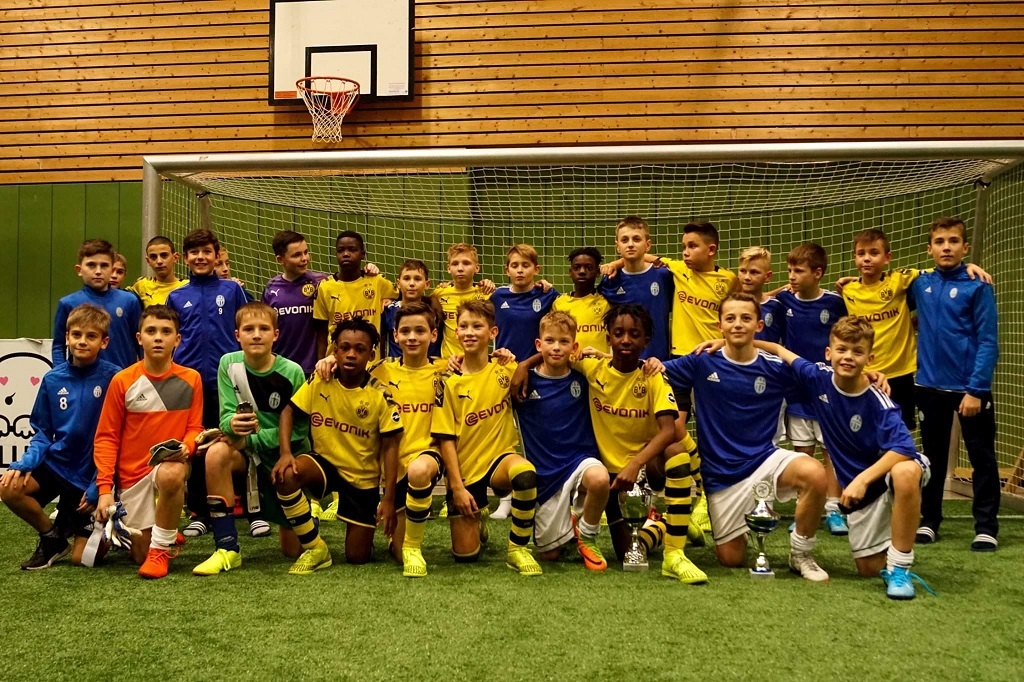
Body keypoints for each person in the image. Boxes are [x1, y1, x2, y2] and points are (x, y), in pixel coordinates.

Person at [663, 293, 831, 582]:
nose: (738, 324)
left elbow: (822, 377)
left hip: (764, 460)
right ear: (719, 325)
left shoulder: (775, 367)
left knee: (814, 473)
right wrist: (599, 360)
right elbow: (647, 369)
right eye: (730, 319)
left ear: (758, 325)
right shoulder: (702, 362)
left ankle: (801, 554)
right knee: (731, 559)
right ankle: (746, 523)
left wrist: (775, 347)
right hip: (721, 476)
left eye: (745, 318)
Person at [272, 318, 403, 574]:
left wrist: (388, 498)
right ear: (335, 351)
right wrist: (285, 453)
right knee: (286, 474)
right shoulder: (321, 380)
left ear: (371, 355)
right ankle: (316, 547)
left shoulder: (381, 396)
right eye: (345, 347)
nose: (351, 354)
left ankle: (368, 540)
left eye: (360, 349)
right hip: (325, 464)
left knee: (357, 557)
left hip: (361, 479)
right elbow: (288, 411)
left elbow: (390, 447)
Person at [191, 302, 310, 575]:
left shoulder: (292, 371)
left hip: (282, 456)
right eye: (248, 329)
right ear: (237, 335)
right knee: (216, 454)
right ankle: (227, 548)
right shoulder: (228, 364)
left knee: (292, 550)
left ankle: (304, 514)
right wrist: (231, 424)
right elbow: (225, 418)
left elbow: (298, 431)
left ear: (275, 334)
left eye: (263, 329)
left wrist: (250, 441)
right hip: (243, 453)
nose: (256, 335)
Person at [0, 305, 120, 569]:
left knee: (83, 560)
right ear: (66, 338)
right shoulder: (52, 379)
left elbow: (119, 438)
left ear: (104, 342)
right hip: (58, 465)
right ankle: (52, 538)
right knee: (9, 487)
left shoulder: (115, 378)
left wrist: (100, 485)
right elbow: (42, 432)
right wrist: (25, 463)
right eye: (76, 335)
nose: (82, 341)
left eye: (91, 336)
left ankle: (108, 523)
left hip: (91, 475)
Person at [430, 300, 543, 576]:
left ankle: (517, 548)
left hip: (499, 460)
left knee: (525, 475)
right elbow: (445, 439)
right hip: (466, 472)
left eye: (477, 326)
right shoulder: (447, 380)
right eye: (464, 326)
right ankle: (478, 515)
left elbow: (552, 358)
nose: (469, 332)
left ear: (492, 333)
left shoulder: (505, 368)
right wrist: (456, 488)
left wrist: (523, 362)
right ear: (456, 332)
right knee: (466, 556)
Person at [837, 228, 991, 430]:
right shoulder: (847, 291)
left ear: (887, 258)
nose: (866, 258)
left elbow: (941, 271)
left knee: (900, 430)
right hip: (864, 373)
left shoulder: (900, 280)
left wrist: (968, 265)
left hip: (901, 374)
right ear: (855, 258)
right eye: (861, 254)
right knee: (863, 429)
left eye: (874, 253)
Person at [91, 305, 204, 578]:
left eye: (166, 332)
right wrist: (105, 489)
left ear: (177, 339)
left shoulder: (192, 379)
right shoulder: (122, 381)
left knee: (172, 473)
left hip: (168, 469)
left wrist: (187, 447)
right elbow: (106, 438)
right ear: (139, 338)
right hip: (132, 478)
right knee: (136, 554)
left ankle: (160, 550)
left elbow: (195, 428)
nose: (158, 338)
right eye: (151, 331)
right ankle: (161, 529)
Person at [911, 217, 1000, 552]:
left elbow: (988, 341)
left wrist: (976, 389)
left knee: (982, 457)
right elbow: (882, 296)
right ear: (929, 249)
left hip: (969, 390)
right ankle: (929, 521)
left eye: (953, 241)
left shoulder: (978, 286)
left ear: (965, 247)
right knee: (931, 459)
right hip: (928, 387)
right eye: (939, 242)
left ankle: (986, 527)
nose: (946, 247)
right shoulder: (920, 284)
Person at [166, 228, 249, 536]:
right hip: (189, 385)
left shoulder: (232, 290)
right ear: (185, 258)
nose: (200, 257)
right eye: (194, 252)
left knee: (232, 442)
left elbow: (247, 326)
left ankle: (243, 507)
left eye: (206, 252)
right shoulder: (176, 296)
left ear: (217, 256)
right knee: (197, 446)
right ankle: (199, 511)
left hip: (227, 383)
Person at [512, 311, 609, 571]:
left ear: (574, 347)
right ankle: (570, 525)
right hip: (545, 476)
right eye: (550, 341)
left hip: (579, 461)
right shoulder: (522, 381)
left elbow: (621, 367)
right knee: (550, 555)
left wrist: (603, 355)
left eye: (564, 342)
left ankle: (588, 536)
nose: (556, 347)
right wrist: (521, 365)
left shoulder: (583, 377)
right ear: (538, 344)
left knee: (599, 479)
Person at [776, 243, 850, 536]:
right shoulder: (784, 300)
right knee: (802, 453)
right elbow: (762, 299)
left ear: (817, 273)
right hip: (796, 390)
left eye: (798, 271)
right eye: (789, 271)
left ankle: (833, 509)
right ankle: (804, 509)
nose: (792, 276)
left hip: (829, 390)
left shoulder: (836, 303)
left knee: (831, 451)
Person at [52, 238, 141, 370]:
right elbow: (59, 345)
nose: (98, 271)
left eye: (104, 265)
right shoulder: (68, 303)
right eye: (91, 265)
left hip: (122, 378)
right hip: (81, 378)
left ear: (112, 268)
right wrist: (60, 375)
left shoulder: (130, 301)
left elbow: (140, 343)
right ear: (79, 269)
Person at [597, 216, 674, 361]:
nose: (630, 244)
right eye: (625, 240)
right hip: (623, 364)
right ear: (617, 246)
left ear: (648, 245)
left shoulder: (663, 275)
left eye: (636, 239)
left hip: (658, 362)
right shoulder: (610, 279)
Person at [313, 230, 397, 362]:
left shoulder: (376, 281)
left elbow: (405, 293)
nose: (346, 254)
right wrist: (320, 362)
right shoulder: (324, 287)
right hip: (336, 363)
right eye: (341, 250)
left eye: (352, 249)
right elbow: (321, 333)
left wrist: (388, 299)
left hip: (370, 363)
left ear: (363, 254)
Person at [261, 230, 329, 376]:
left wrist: (368, 272)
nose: (304, 258)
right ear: (280, 259)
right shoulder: (271, 288)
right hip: (281, 369)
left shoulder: (321, 282)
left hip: (314, 370)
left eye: (306, 252)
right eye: (297, 255)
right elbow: (265, 328)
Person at [491, 243, 559, 362]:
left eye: (525, 265)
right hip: (504, 365)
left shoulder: (547, 294)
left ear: (536, 269)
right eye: (514, 266)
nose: (520, 270)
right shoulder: (497, 296)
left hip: (535, 366)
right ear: (507, 270)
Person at [430, 243, 495, 359]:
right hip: (449, 361)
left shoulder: (486, 293)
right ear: (448, 268)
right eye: (455, 264)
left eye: (466, 263)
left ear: (477, 268)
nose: (460, 268)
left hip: (477, 361)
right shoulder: (439, 293)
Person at [551, 247, 610, 355]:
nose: (582, 271)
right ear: (570, 272)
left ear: (598, 272)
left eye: (588, 267)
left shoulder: (606, 301)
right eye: (577, 267)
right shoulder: (559, 303)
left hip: (600, 364)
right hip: (570, 364)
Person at [380, 259, 442, 360]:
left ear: (427, 284)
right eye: (406, 278)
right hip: (397, 366)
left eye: (417, 279)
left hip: (430, 367)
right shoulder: (389, 310)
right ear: (398, 283)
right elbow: (381, 342)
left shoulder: (435, 310)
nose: (412, 283)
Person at [737, 246, 786, 344]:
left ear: (767, 276)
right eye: (743, 271)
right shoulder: (730, 305)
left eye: (754, 272)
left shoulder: (776, 306)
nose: (747, 277)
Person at [128, 235, 186, 307]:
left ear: (175, 257)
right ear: (148, 261)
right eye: (153, 257)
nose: (159, 261)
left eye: (164, 255)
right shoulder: (141, 285)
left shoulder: (187, 286)